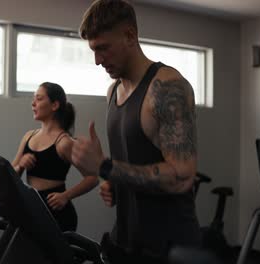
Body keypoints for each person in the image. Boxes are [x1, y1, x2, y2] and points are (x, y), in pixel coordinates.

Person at [71, 0, 201, 263]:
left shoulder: (167, 87)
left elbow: (181, 178)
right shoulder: (113, 91)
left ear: (130, 35)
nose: (97, 61)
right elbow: (134, 162)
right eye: (93, 51)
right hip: (126, 241)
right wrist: (114, 185)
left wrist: (106, 168)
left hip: (169, 248)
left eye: (103, 48)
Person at [12, 82, 99, 232]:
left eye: (39, 99)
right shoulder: (28, 136)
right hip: (31, 208)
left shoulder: (64, 143)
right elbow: (11, 175)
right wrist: (20, 165)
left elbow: (93, 178)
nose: (33, 103)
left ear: (54, 105)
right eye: (34, 99)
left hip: (57, 215)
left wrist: (65, 196)